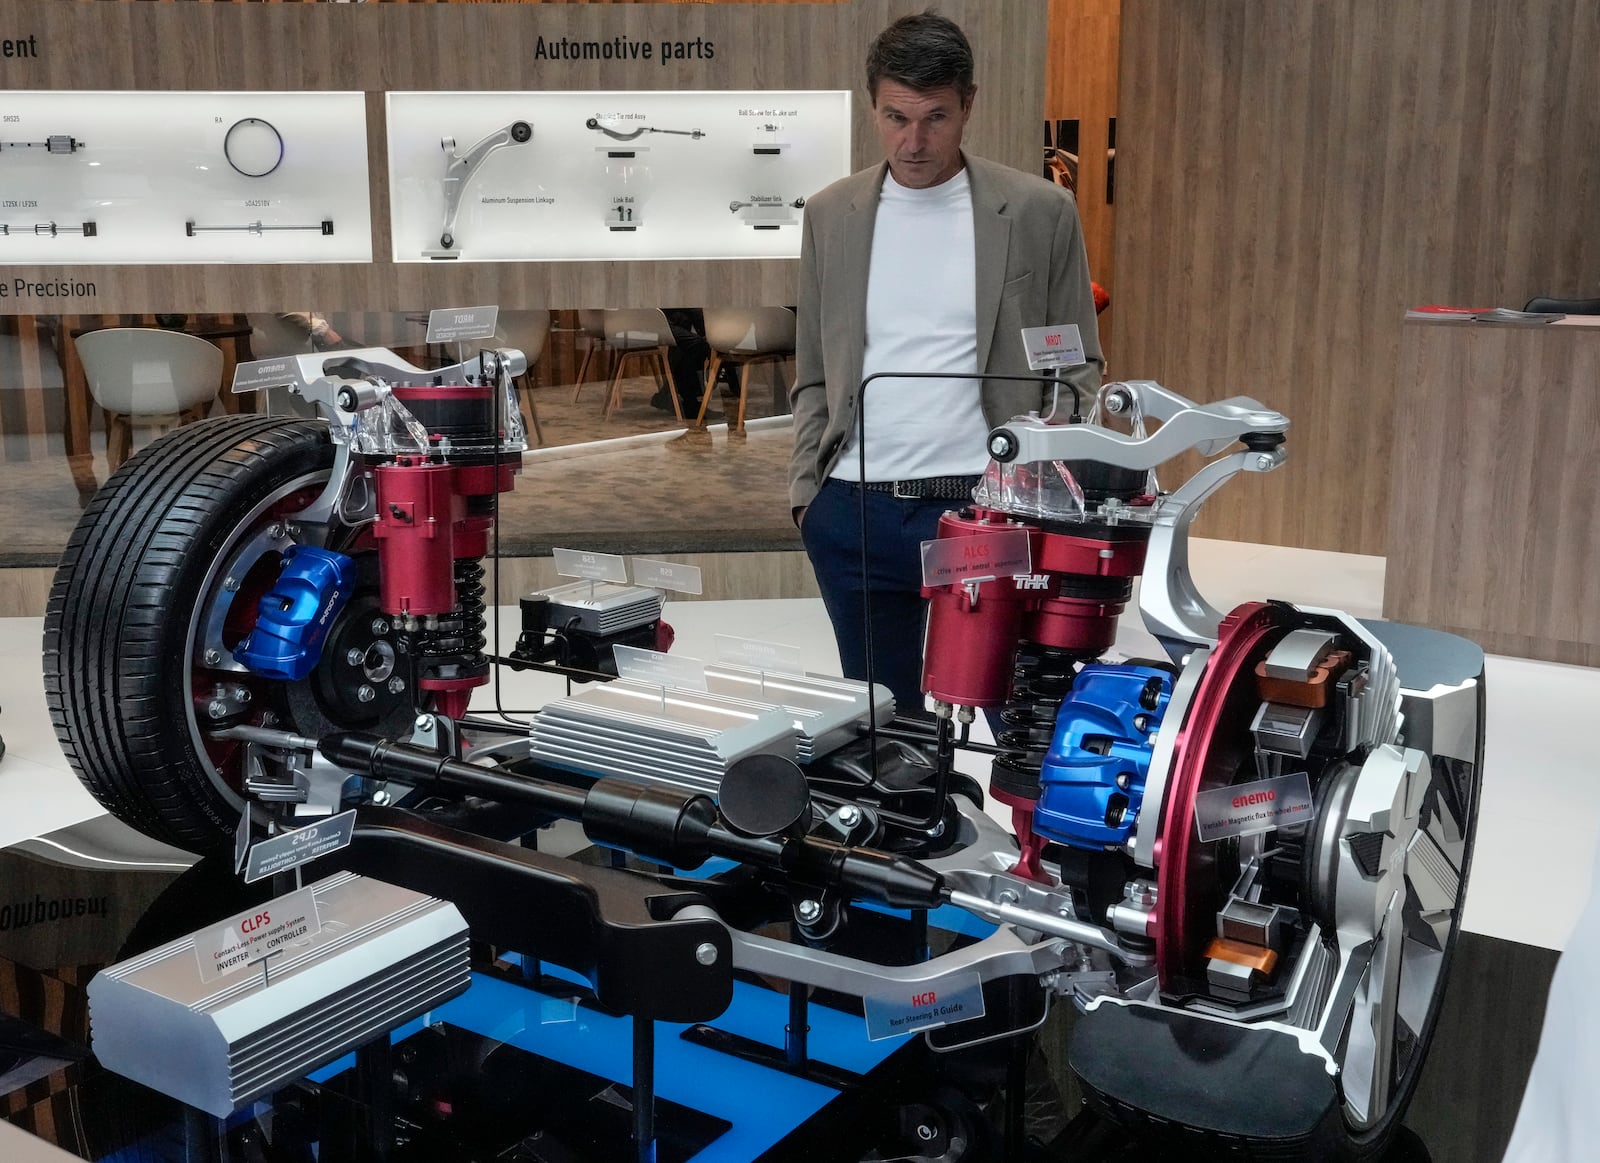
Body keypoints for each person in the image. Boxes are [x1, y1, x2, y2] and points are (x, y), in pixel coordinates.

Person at [788, 11, 1104, 714]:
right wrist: (809, 497)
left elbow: (1078, 366)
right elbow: (814, 368)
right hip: (854, 509)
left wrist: (1043, 488)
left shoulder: (1038, 212)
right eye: (896, 117)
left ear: (969, 105)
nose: (914, 140)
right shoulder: (831, 214)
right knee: (883, 739)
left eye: (935, 117)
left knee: (1020, 722)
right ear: (873, 107)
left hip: (982, 505)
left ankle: (1030, 828)